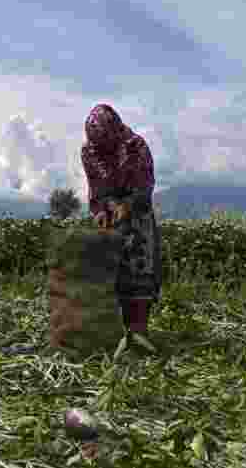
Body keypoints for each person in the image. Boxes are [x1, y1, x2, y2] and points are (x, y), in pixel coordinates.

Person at [81, 104, 162, 335]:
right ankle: (110, 329)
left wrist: (127, 206)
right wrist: (100, 210)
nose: (102, 150)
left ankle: (138, 331)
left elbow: (145, 187)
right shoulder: (89, 151)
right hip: (109, 213)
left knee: (140, 270)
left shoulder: (136, 146)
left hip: (137, 214)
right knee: (106, 271)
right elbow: (95, 188)